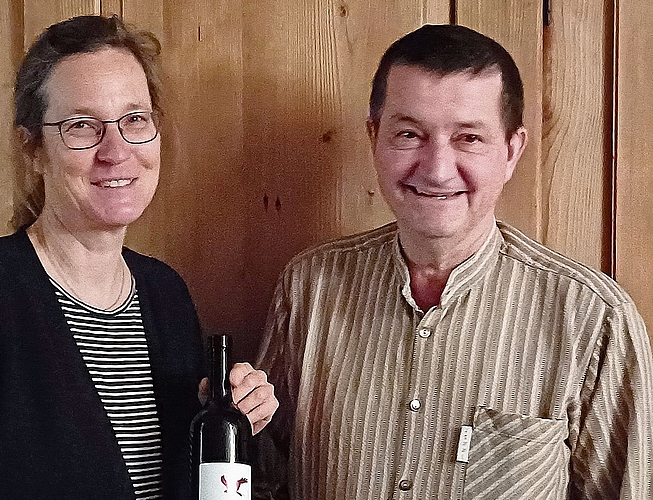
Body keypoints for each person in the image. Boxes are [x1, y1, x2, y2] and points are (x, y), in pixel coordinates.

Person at [0, 15, 277, 500]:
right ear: (33, 148)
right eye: (82, 126)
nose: (116, 150)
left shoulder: (166, 296)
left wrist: (236, 420)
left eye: (135, 120)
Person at [256, 24, 653, 499]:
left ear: (511, 151)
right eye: (409, 134)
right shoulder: (308, 287)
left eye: (468, 138)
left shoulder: (594, 319)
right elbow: (259, 477)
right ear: (374, 138)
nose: (438, 169)